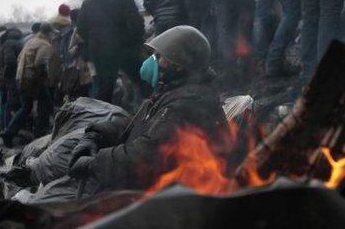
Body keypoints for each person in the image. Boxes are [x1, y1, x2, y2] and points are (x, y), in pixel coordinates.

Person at [68, 26, 229, 191]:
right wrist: (96, 134)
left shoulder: (186, 104)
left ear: (178, 65)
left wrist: (95, 163)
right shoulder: (174, 91)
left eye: (160, 56)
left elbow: (146, 156)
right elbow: (140, 123)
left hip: (174, 197)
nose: (154, 61)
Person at [77, 0, 146, 104]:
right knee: (143, 81)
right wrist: (133, 42)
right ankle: (147, 116)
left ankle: (101, 120)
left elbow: (81, 28)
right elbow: (137, 25)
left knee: (104, 89)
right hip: (124, 48)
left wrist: (94, 42)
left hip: (99, 51)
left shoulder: (88, 2)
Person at [2, 24, 55, 146]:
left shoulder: (31, 41)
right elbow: (40, 62)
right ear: (48, 34)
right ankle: (40, 134)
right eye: (52, 33)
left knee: (26, 107)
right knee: (46, 104)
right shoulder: (45, 44)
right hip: (32, 79)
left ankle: (8, 133)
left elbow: (19, 58)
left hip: (21, 78)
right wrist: (46, 76)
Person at [1, 27, 24, 130]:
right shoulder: (21, 43)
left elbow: (10, 62)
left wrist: (6, 75)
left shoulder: (7, 44)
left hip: (12, 78)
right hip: (22, 76)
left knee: (9, 106)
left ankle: (8, 131)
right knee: (21, 104)